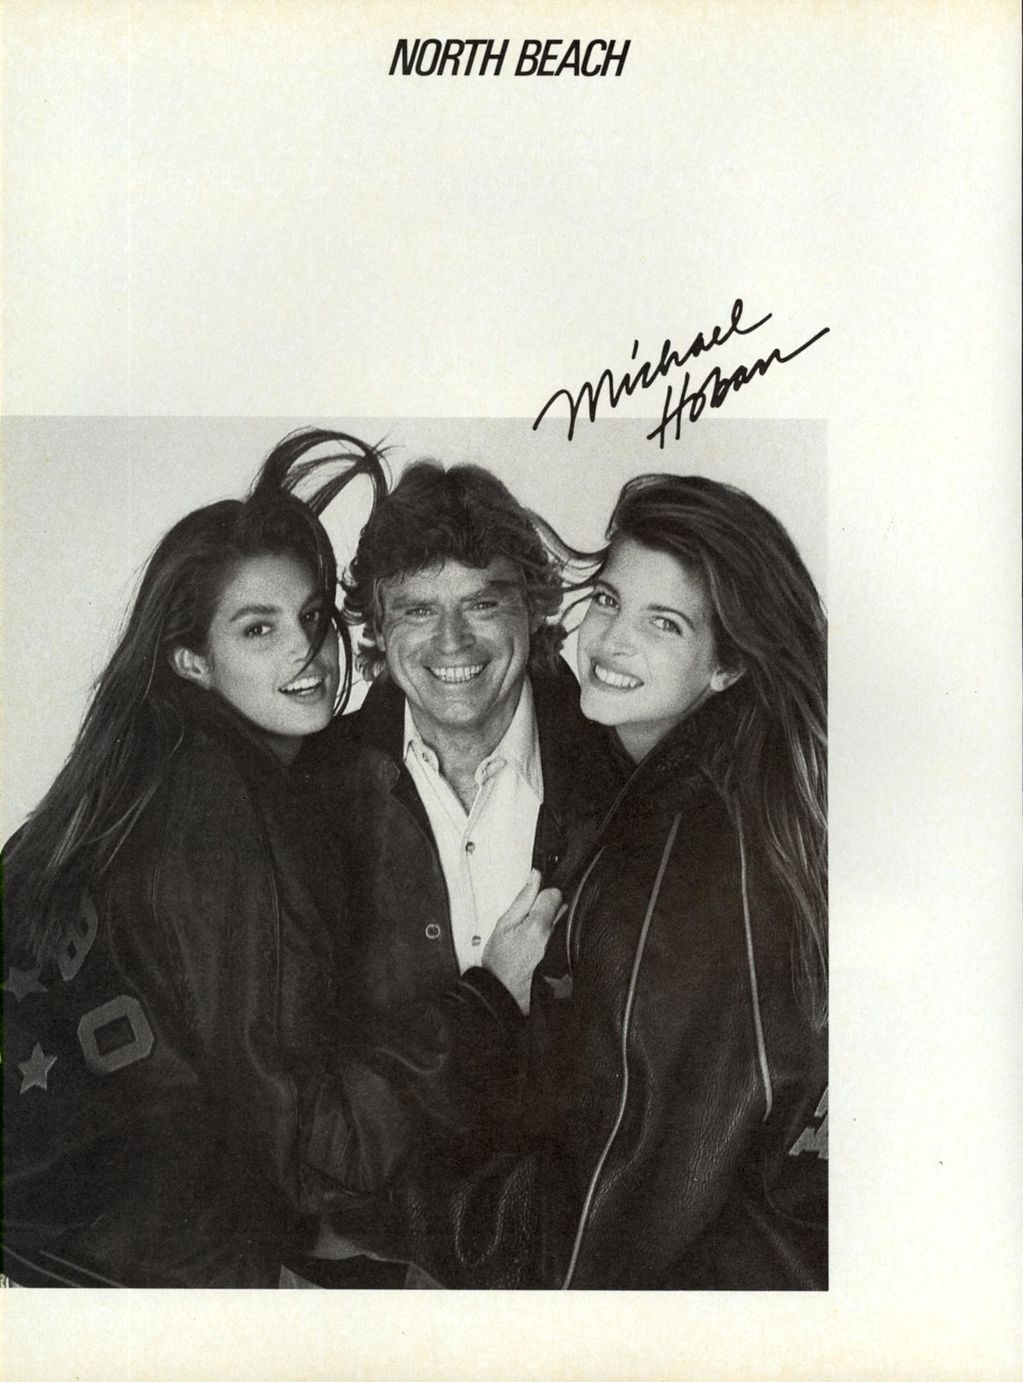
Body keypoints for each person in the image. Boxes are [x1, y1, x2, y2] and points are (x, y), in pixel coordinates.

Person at [1, 429, 557, 1288]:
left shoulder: (134, 781)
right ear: (192, 659)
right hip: (154, 1292)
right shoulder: (220, 822)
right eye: (257, 629)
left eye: (311, 618)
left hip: (59, 1257)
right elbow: (314, 1153)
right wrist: (489, 999)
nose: (305, 650)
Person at [378, 471, 829, 1289]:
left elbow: (603, 1222)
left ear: (728, 665)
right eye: (611, 602)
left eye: (664, 623)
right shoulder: (699, 793)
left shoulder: (691, 849)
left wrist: (385, 1208)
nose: (612, 642)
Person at [306, 459, 619, 1070]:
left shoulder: (621, 777)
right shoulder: (315, 790)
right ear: (379, 628)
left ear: (533, 609)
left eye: (482, 604)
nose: (452, 641)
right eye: (418, 611)